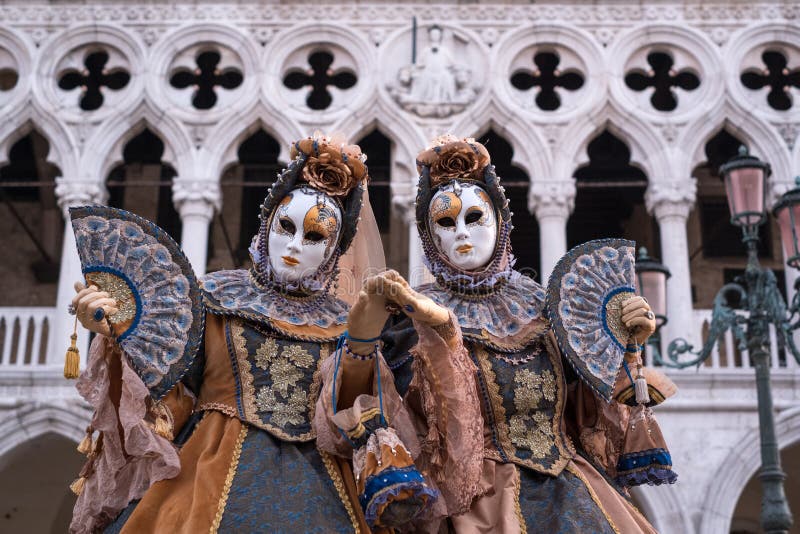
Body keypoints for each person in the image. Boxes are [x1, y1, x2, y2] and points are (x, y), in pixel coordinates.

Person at [319, 135, 677, 533]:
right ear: (429, 236)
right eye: (445, 223)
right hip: (473, 504)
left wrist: (625, 348)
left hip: (573, 491)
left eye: (474, 218)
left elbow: (589, 420)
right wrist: (403, 335)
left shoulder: (544, 308)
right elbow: (406, 422)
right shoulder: (408, 316)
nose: (461, 233)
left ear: (501, 222)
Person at [68, 133, 385, 533]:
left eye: (315, 236)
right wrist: (116, 334)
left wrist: (362, 341)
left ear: (334, 250)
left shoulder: (342, 320)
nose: (294, 245)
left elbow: (349, 408)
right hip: (207, 470)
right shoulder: (215, 298)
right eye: (285, 226)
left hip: (322, 482)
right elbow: (171, 393)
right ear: (266, 222)